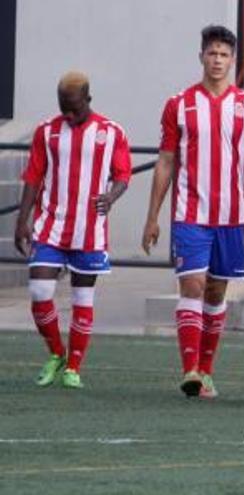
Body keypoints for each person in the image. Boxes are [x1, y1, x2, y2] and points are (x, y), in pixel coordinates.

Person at [141, 25, 244, 398]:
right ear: (201, 57)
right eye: (212, 53)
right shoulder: (179, 104)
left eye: (224, 54)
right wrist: (152, 217)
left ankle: (206, 371)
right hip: (189, 212)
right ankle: (190, 369)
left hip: (231, 217)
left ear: (232, 61)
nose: (217, 60)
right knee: (192, 284)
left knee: (215, 291)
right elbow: (164, 162)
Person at [15, 71, 132, 389]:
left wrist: (112, 195)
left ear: (88, 100)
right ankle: (56, 353)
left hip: (89, 229)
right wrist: (22, 219)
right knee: (40, 292)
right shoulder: (46, 132)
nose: (67, 114)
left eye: (74, 108)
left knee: (83, 297)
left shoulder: (111, 132)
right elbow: (33, 176)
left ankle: (74, 368)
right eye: (63, 106)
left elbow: (123, 173)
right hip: (50, 225)